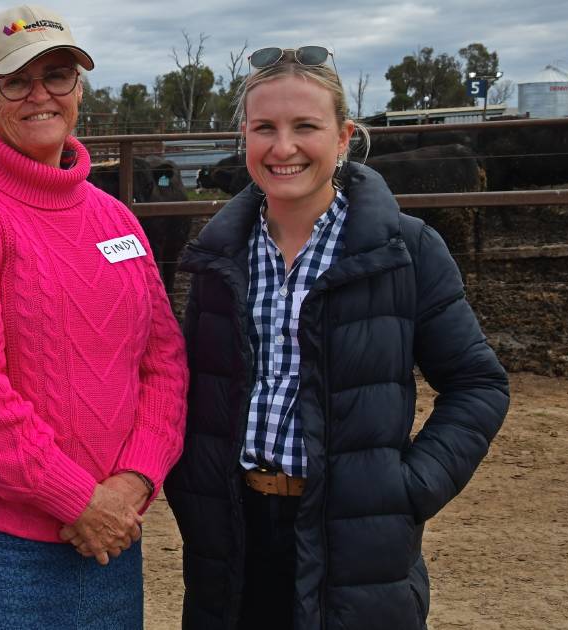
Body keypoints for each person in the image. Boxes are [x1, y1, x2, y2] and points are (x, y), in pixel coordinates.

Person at [164, 46, 509, 629]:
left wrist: (407, 489)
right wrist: (192, 483)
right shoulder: (219, 256)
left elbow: (477, 384)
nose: (283, 147)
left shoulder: (406, 249)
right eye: (264, 128)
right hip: (233, 531)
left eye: (306, 127)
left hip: (355, 538)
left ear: (344, 136)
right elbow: (192, 383)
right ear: (243, 136)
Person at [0, 5, 188, 629]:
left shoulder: (116, 220)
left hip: (109, 534)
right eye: (15, 79)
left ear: (79, 90)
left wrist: (135, 481)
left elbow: (163, 361)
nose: (40, 95)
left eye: (57, 75)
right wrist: (78, 498)